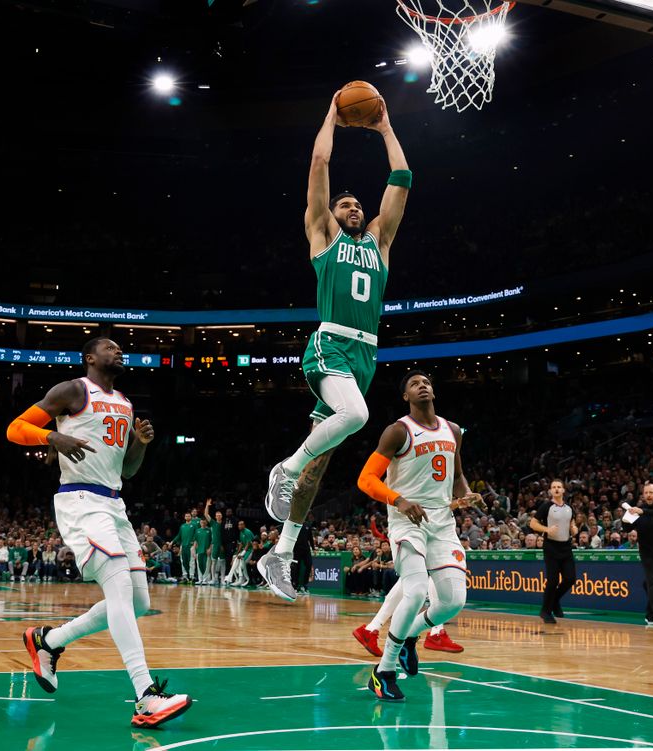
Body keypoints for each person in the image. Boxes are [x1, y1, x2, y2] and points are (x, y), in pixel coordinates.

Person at [260, 90, 411, 602]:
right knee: (359, 418)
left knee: (319, 467)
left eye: (357, 204)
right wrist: (331, 113)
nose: (352, 206)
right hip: (331, 344)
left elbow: (403, 181)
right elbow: (320, 160)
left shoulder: (379, 244)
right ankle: (284, 467)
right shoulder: (324, 234)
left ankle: (279, 555)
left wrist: (386, 127)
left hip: (365, 357)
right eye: (344, 202)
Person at [6, 337, 191, 727]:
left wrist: (139, 445)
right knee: (119, 588)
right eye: (110, 348)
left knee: (138, 601)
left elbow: (127, 469)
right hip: (81, 501)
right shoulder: (73, 390)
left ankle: (49, 641)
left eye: (121, 348)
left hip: (114, 503)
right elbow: (14, 428)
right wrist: (51, 436)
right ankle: (145, 697)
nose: (119, 351)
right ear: (90, 357)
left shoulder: (124, 402)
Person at [356, 370, 481, 701]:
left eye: (426, 381)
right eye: (414, 383)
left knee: (453, 601)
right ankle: (383, 671)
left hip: (442, 525)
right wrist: (399, 499)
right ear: (406, 396)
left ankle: (410, 635)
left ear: (433, 391)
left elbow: (457, 477)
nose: (422, 385)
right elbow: (366, 479)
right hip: (406, 521)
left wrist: (467, 494)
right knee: (413, 593)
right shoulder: (398, 431)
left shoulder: (453, 430)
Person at [530, 480, 579, 624]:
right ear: (550, 491)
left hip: (566, 547)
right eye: (553, 487)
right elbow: (533, 523)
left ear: (563, 490)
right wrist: (546, 530)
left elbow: (572, 523)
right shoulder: (546, 506)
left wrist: (574, 528)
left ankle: (555, 600)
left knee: (570, 578)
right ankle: (545, 611)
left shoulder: (569, 508)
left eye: (559, 487)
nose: (556, 489)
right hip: (551, 546)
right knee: (553, 580)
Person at [623, 482, 653, 627]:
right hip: (647, 552)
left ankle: (649, 613)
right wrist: (627, 517)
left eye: (651, 493)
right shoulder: (639, 509)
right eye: (646, 493)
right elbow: (627, 527)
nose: (648, 495)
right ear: (643, 495)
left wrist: (642, 512)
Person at [172, 513, 196, 584]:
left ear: (191, 517)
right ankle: (185, 576)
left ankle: (192, 577)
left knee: (191, 562)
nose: (187, 517)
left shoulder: (194, 525)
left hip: (191, 546)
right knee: (183, 562)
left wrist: (194, 543)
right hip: (183, 546)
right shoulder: (182, 526)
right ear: (185, 517)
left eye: (189, 516)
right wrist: (172, 542)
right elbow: (179, 535)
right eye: (186, 516)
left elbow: (196, 534)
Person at [192, 518, 213, 586]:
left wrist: (210, 548)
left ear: (206, 522)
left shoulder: (209, 530)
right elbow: (195, 541)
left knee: (206, 565)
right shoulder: (197, 531)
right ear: (200, 523)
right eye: (202, 522)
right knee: (199, 565)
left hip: (207, 551)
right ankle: (200, 579)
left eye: (204, 522)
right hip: (199, 551)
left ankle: (205, 580)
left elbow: (212, 541)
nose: (203, 523)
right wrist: (194, 550)